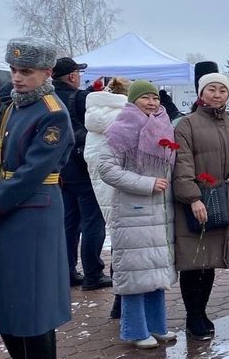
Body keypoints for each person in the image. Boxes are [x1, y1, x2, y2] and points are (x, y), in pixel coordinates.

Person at [0, 38, 74, 358]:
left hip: (34, 213)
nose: (17, 77)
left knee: (33, 304)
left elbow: (31, 173)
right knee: (7, 298)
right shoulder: (14, 105)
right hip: (9, 211)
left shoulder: (53, 113)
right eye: (13, 70)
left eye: (26, 71)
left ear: (47, 72)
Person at [99, 79, 177, 349]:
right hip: (133, 210)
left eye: (155, 98)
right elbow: (106, 169)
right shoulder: (120, 129)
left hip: (160, 210)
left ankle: (157, 326)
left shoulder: (164, 125)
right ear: (132, 100)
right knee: (135, 274)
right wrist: (146, 184)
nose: (152, 103)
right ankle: (134, 329)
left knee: (155, 272)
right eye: (145, 98)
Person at [172, 72, 229, 340]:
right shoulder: (186, 125)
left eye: (222, 90)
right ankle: (193, 316)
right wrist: (192, 197)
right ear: (201, 94)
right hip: (196, 201)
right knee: (194, 261)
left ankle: (202, 312)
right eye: (211, 89)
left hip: (222, 199)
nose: (217, 94)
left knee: (210, 260)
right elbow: (182, 163)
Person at [53, 56, 112, 290]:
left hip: (61, 170)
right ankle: (93, 274)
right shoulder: (80, 98)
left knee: (70, 223)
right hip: (84, 168)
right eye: (77, 72)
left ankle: (67, 271)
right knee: (92, 222)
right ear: (71, 76)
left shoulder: (50, 99)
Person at [84, 76, 131, 319]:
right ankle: (122, 300)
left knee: (115, 237)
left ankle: (119, 299)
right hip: (122, 185)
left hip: (100, 184)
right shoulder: (125, 117)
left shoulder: (93, 116)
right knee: (125, 242)